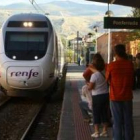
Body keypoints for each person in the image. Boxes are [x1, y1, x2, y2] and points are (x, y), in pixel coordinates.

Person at [106, 44, 134, 140]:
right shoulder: (130, 64)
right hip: (127, 96)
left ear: (115, 53)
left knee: (117, 120)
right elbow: (132, 79)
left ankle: (117, 138)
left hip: (115, 96)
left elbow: (107, 80)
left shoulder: (111, 66)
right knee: (128, 120)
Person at [87, 53, 109, 138]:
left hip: (97, 96)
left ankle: (96, 132)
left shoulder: (94, 75)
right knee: (104, 113)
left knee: (96, 114)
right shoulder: (105, 73)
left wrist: (88, 84)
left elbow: (91, 87)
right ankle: (105, 131)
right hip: (106, 95)